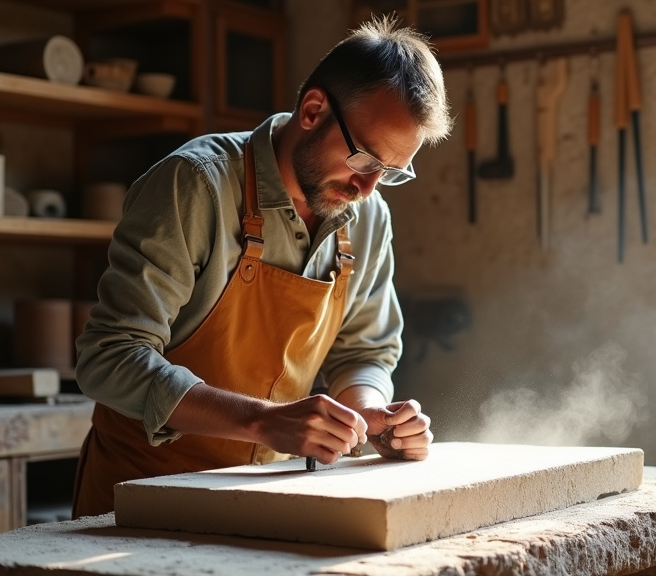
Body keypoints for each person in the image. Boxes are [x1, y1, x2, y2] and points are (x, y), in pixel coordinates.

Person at [71, 16, 453, 518]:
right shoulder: (196, 185)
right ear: (313, 110)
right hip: (141, 496)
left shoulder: (366, 216)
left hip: (264, 497)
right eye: (364, 160)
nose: (368, 189)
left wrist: (365, 411)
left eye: (391, 172)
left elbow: (366, 348)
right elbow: (108, 356)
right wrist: (263, 421)